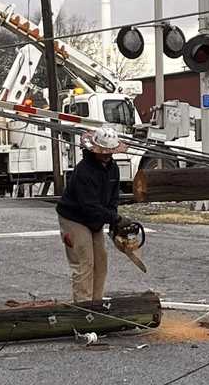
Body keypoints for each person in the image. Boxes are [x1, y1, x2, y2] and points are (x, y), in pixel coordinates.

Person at [56, 125, 131, 302]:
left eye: (109, 152)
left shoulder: (113, 169)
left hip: (94, 219)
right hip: (74, 217)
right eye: (104, 152)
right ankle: (83, 307)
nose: (107, 156)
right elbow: (89, 206)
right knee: (84, 262)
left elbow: (113, 199)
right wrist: (116, 218)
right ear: (95, 149)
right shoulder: (84, 171)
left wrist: (114, 222)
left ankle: (96, 304)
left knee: (100, 261)